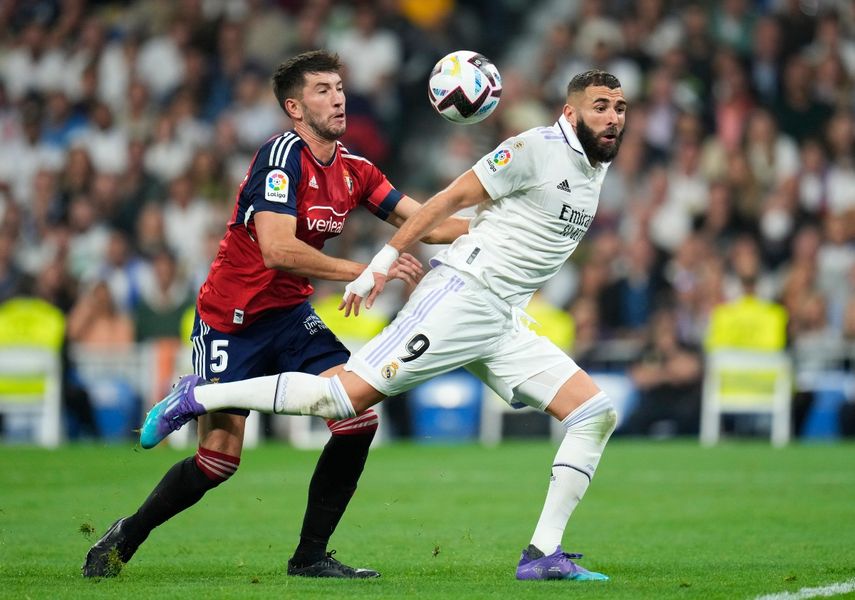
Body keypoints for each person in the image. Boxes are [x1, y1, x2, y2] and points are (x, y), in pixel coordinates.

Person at [143, 69, 627, 581]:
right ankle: (197, 398)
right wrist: (378, 264)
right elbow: (444, 202)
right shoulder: (531, 148)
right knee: (342, 401)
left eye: (619, 108)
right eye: (600, 106)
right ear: (570, 112)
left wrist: (501, 223)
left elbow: (460, 223)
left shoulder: (593, 164)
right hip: (460, 299)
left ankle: (542, 555)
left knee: (594, 413)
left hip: (502, 317)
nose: (613, 117)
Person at [82, 50, 468, 579]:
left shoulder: (355, 170)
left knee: (356, 418)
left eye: (339, 87)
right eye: (322, 90)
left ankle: (309, 556)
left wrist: (499, 217)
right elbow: (276, 250)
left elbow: (427, 222)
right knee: (218, 462)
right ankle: (129, 533)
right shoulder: (281, 156)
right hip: (230, 319)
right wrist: (367, 267)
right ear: (294, 107)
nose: (338, 98)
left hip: (288, 316)